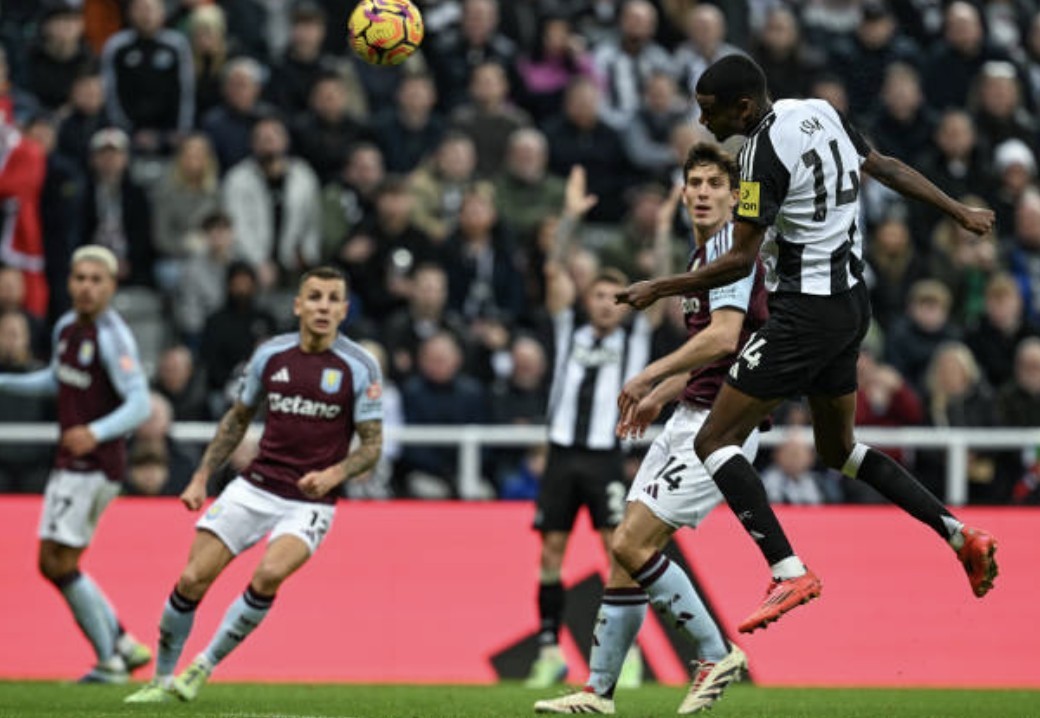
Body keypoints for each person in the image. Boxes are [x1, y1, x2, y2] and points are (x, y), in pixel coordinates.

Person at [615, 54, 999, 634]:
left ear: (744, 106)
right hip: (852, 305)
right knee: (838, 448)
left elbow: (739, 260)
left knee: (714, 439)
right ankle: (957, 534)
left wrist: (658, 288)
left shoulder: (756, 157)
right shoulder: (820, 111)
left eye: (710, 111)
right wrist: (956, 210)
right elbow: (885, 167)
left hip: (805, 315)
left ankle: (788, 570)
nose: (704, 122)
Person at [534, 142, 766, 715]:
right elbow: (711, 353)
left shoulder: (732, 249)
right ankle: (599, 693)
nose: (704, 193)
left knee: (630, 543)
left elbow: (723, 337)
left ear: (735, 195)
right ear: (684, 193)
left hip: (720, 423)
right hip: (690, 414)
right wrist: (662, 393)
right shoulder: (703, 256)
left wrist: (648, 375)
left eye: (716, 184)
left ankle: (715, 653)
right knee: (625, 554)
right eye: (696, 184)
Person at [124, 266, 383, 703]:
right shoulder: (270, 355)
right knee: (192, 579)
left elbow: (373, 445)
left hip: (309, 501)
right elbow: (237, 419)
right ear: (298, 305)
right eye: (314, 297)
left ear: (343, 310)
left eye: (333, 299)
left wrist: (334, 474)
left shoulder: (359, 366)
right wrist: (201, 477)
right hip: (256, 486)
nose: (323, 306)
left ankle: (203, 665)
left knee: (269, 574)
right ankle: (161, 680)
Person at [524, 165, 659, 690]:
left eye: (614, 296)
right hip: (562, 454)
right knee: (550, 553)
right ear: (588, 300)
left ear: (624, 304)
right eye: (599, 294)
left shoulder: (636, 340)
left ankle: (626, 653)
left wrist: (664, 228)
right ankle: (548, 652)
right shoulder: (568, 329)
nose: (606, 303)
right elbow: (554, 269)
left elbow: (661, 286)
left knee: (618, 554)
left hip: (605, 457)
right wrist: (570, 219)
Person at [0, 245, 152, 681]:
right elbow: (58, 379)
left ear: (111, 286)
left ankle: (110, 662)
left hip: (96, 465)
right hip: (71, 463)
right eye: (80, 278)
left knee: (57, 563)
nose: (86, 287)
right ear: (69, 282)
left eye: (96, 280)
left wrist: (96, 432)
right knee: (59, 562)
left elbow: (140, 403)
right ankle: (122, 643)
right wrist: (6, 381)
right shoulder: (66, 327)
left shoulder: (113, 337)